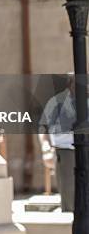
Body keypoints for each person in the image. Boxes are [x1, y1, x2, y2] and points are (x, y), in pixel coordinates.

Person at [39, 73, 88, 212]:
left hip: (85, 148)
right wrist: (45, 149)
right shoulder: (56, 102)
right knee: (70, 193)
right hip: (65, 151)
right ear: (70, 85)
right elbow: (43, 127)